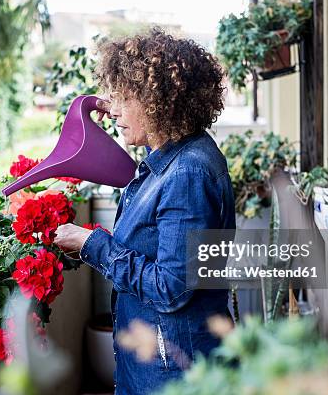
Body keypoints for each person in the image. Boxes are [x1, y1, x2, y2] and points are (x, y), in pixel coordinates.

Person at [54, 27, 236, 395]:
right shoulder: (172, 157)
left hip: (173, 369)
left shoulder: (188, 172)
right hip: (160, 358)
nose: (113, 109)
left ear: (159, 101)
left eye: (123, 97)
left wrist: (91, 243)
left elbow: (171, 289)